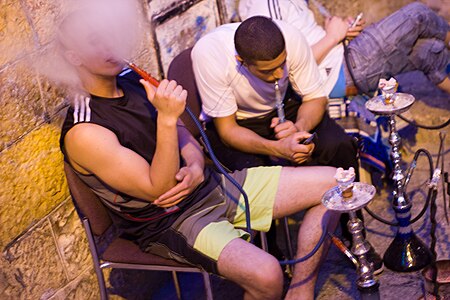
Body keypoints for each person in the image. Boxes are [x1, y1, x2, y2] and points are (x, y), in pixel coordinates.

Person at [57, 4, 340, 300]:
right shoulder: (84, 131)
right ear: (73, 56)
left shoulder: (131, 80)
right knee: (267, 275)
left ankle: (301, 291)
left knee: (336, 183)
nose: (109, 44)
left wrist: (194, 166)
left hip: (210, 186)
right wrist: (166, 119)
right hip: (171, 221)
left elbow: (182, 132)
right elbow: (159, 187)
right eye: (94, 40)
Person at [191, 15, 383, 273]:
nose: (279, 74)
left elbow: (315, 98)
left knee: (340, 147)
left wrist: (299, 130)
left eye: (282, 65)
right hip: (237, 121)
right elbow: (227, 130)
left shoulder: (291, 38)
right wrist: (277, 149)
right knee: (252, 174)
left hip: (288, 110)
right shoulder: (210, 53)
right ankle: (271, 259)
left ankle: (354, 237)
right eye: (267, 71)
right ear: (241, 62)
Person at [238, 0, 450, 97]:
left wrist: (342, 32)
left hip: (342, 59)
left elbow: (300, 43)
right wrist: (333, 36)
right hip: (339, 71)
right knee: (418, 15)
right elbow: (287, 69)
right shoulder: (265, 7)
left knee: (429, 50)